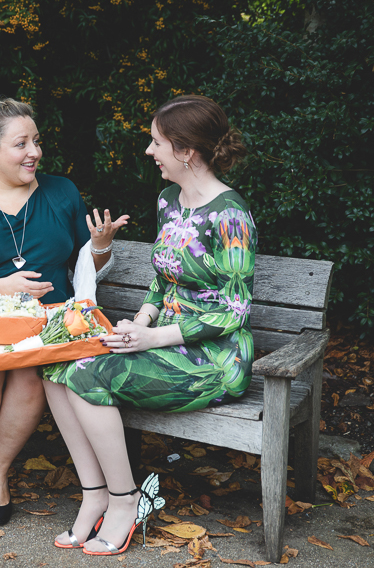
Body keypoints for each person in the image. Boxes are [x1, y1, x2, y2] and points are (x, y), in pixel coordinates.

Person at [42, 95, 257, 555]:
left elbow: (235, 311)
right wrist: (139, 319)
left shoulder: (230, 217)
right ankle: (94, 493)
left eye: (156, 142)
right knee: (55, 369)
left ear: (186, 151)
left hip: (215, 357)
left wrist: (153, 336)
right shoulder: (169, 200)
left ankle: (124, 500)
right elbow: (163, 281)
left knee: (85, 374)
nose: (149, 151)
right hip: (162, 339)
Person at [0, 98, 129, 528]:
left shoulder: (61, 192)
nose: (34, 151)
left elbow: (86, 262)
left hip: (50, 320)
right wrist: (1, 287)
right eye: (21, 143)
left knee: (32, 376)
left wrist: (102, 245)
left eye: (36, 141)